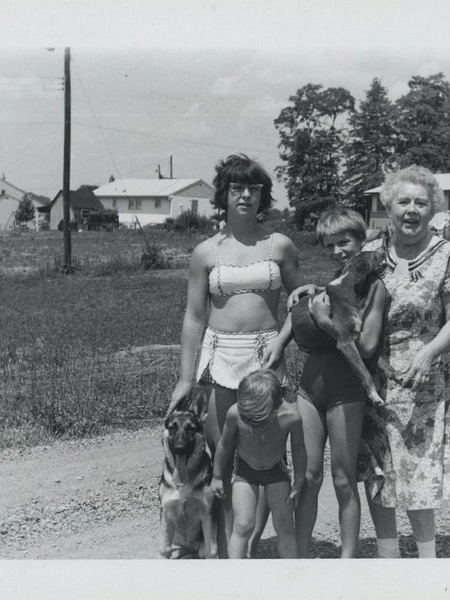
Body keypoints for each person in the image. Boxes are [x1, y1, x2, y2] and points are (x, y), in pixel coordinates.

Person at [166, 154, 303, 558]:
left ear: (263, 196)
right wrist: (185, 378)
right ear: (222, 195)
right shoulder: (205, 251)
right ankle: (224, 555)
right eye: (237, 188)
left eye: (254, 189)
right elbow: (193, 317)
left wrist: (282, 342)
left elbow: (301, 303)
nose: (245, 195)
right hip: (220, 358)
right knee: (224, 459)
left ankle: (254, 543)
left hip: (267, 357)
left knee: (264, 456)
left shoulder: (280, 245)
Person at [358, 165, 450, 559]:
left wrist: (429, 352)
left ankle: (428, 563)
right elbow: (342, 300)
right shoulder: (370, 254)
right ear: (388, 206)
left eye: (420, 203)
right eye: (403, 201)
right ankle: (388, 559)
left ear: (433, 210)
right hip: (374, 381)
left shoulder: (448, 256)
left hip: (424, 381)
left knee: (418, 471)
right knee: (379, 471)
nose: (411, 210)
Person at [287, 208, 387, 558]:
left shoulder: (375, 288)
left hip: (346, 391)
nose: (336, 251)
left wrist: (322, 321)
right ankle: (297, 559)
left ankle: (347, 562)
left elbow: (367, 346)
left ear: (361, 242)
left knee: (343, 480)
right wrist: (309, 293)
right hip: (309, 387)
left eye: (344, 242)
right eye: (329, 245)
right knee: (307, 478)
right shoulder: (332, 284)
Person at [211, 369, 306, 558]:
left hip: (276, 471)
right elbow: (223, 445)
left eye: (257, 418)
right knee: (243, 525)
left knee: (285, 526)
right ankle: (236, 576)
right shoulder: (235, 413)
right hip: (245, 471)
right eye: (249, 418)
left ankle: (293, 575)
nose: (252, 422)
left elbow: (299, 450)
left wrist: (299, 480)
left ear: (276, 404)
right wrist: (216, 476)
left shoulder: (291, 416)